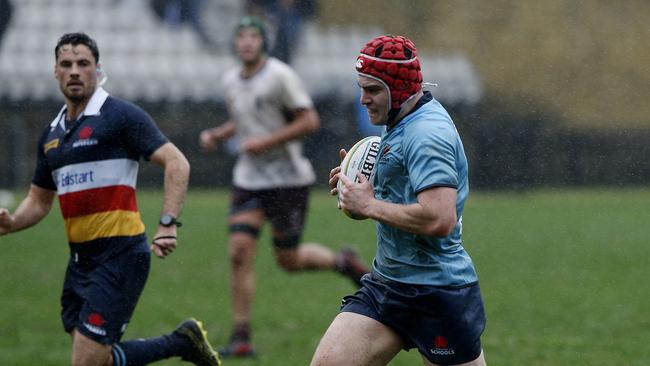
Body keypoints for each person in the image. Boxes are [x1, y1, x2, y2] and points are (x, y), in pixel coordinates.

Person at [0, 32, 221, 366]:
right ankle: (181, 342)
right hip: (80, 262)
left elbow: (177, 162)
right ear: (55, 72)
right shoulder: (51, 135)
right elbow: (39, 199)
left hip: (120, 255)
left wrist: (167, 224)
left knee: (86, 361)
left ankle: (181, 342)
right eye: (66, 64)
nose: (74, 70)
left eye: (83, 64)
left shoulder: (120, 116)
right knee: (97, 358)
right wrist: (13, 222)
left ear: (97, 70)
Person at [311, 35, 487, 366]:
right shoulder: (400, 119)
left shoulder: (427, 135)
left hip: (437, 293)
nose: (362, 99)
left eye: (373, 90)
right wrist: (362, 185)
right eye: (360, 87)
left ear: (400, 90)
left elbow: (440, 218)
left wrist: (369, 205)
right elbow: (402, 179)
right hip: (388, 286)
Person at [198, 16, 369, 358]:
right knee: (239, 252)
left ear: (263, 42)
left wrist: (267, 142)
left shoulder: (280, 76)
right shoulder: (231, 79)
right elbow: (246, 118)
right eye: (241, 37)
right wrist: (220, 134)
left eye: (253, 36)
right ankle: (242, 336)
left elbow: (309, 120)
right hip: (249, 179)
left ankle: (343, 262)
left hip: (287, 180)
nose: (247, 42)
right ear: (234, 44)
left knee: (288, 259)